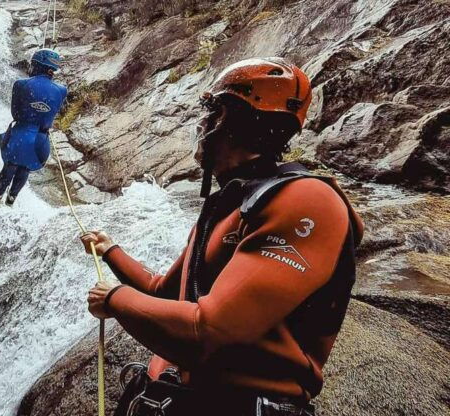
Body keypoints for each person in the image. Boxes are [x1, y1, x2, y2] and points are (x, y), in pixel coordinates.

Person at [80, 58, 364, 415]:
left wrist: (115, 300)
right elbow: (163, 293)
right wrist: (110, 251)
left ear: (230, 120)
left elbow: (209, 333)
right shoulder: (231, 205)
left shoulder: (306, 200)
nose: (201, 125)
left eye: (211, 113)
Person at [0, 48, 68, 206]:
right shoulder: (62, 90)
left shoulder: (20, 84)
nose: (31, 68)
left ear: (38, 66)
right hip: (41, 141)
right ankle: (12, 197)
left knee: (11, 164)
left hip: (20, 134)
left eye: (33, 65)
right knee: (25, 167)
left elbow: (15, 113)